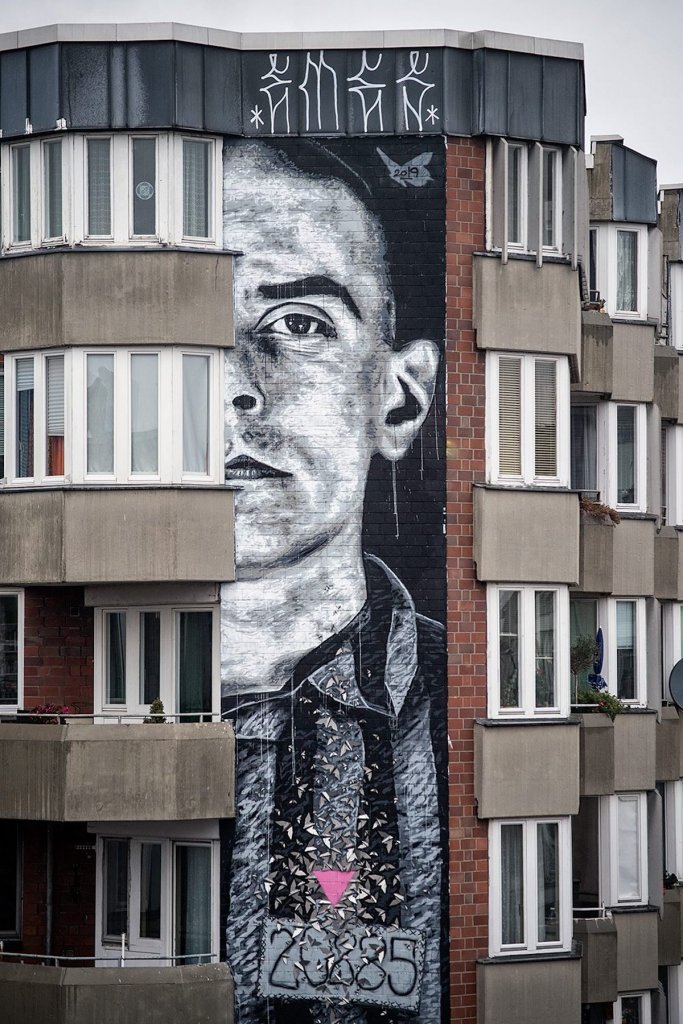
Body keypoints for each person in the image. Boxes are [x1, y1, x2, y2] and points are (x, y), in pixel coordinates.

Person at [220, 138, 446, 1024]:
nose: (233, 384)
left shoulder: (471, 704)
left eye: (298, 324)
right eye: (174, 329)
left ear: (399, 398)